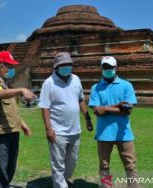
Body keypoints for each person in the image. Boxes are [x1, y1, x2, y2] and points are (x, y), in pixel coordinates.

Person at [38, 52, 93, 188]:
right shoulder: (49, 83)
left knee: (72, 162)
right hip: (58, 131)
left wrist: (87, 118)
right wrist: (48, 129)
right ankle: (60, 185)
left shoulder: (76, 79)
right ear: (56, 67)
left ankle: (63, 180)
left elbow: (80, 99)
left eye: (69, 64)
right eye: (63, 65)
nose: (67, 67)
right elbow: (45, 107)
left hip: (75, 130)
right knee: (57, 164)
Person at [0, 50, 35, 188]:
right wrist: (21, 90)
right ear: (1, 66)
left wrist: (22, 124)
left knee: (10, 167)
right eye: (10, 66)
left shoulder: (7, 85)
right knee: (0, 169)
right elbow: (0, 95)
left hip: (12, 131)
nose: (12, 69)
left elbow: (11, 109)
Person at [88, 56, 138, 188]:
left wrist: (105, 108)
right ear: (101, 68)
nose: (107, 69)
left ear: (116, 68)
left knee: (130, 165)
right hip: (104, 133)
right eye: (105, 67)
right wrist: (117, 105)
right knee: (104, 165)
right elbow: (97, 111)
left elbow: (128, 111)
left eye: (110, 67)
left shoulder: (126, 85)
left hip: (124, 132)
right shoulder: (96, 88)